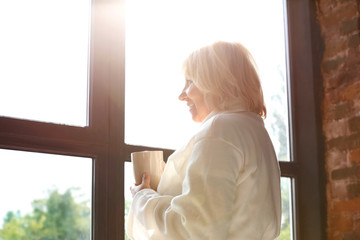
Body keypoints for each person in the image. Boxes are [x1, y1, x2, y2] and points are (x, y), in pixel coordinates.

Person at [126, 41, 281, 239]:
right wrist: (170, 186)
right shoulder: (254, 131)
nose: (182, 95)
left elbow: (195, 229)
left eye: (190, 82)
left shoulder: (220, 130)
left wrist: (143, 197)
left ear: (217, 82)